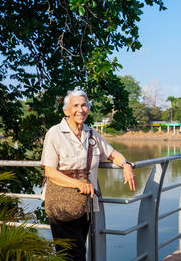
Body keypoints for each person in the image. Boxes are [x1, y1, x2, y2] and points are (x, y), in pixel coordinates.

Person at [41, 88, 136, 261]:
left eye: (84, 105)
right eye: (75, 105)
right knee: (72, 254)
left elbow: (112, 154)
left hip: (85, 205)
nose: (80, 109)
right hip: (61, 201)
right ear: (66, 110)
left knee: (78, 249)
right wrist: (78, 184)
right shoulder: (55, 133)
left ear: (88, 109)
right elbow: (50, 171)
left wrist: (126, 164)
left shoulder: (92, 134)